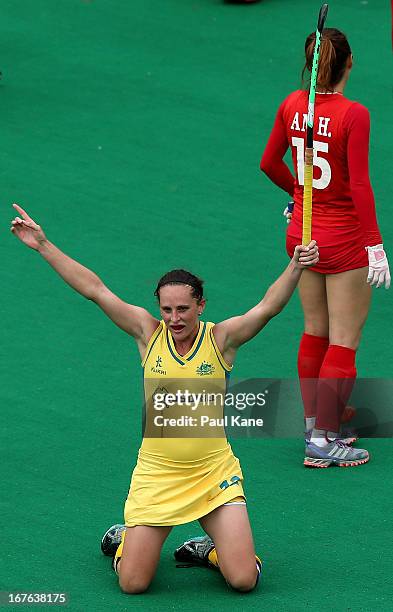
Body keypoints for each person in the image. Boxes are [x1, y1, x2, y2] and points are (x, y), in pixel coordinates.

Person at [10, 202, 318, 593]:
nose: (174, 318)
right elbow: (95, 290)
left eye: (183, 309)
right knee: (133, 583)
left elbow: (268, 307)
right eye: (167, 309)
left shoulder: (221, 340)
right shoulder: (146, 333)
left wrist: (296, 266)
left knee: (243, 579)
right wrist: (43, 245)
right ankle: (127, 539)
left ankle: (210, 550)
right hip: (157, 474)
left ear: (201, 306)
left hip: (213, 473)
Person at [260, 28, 390, 468]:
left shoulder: (292, 104)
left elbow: (268, 162)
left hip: (303, 233)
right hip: (343, 240)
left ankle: (317, 418)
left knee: (314, 330)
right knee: (344, 340)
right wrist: (375, 245)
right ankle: (323, 438)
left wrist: (298, 197)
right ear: (348, 63)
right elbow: (357, 183)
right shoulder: (354, 114)